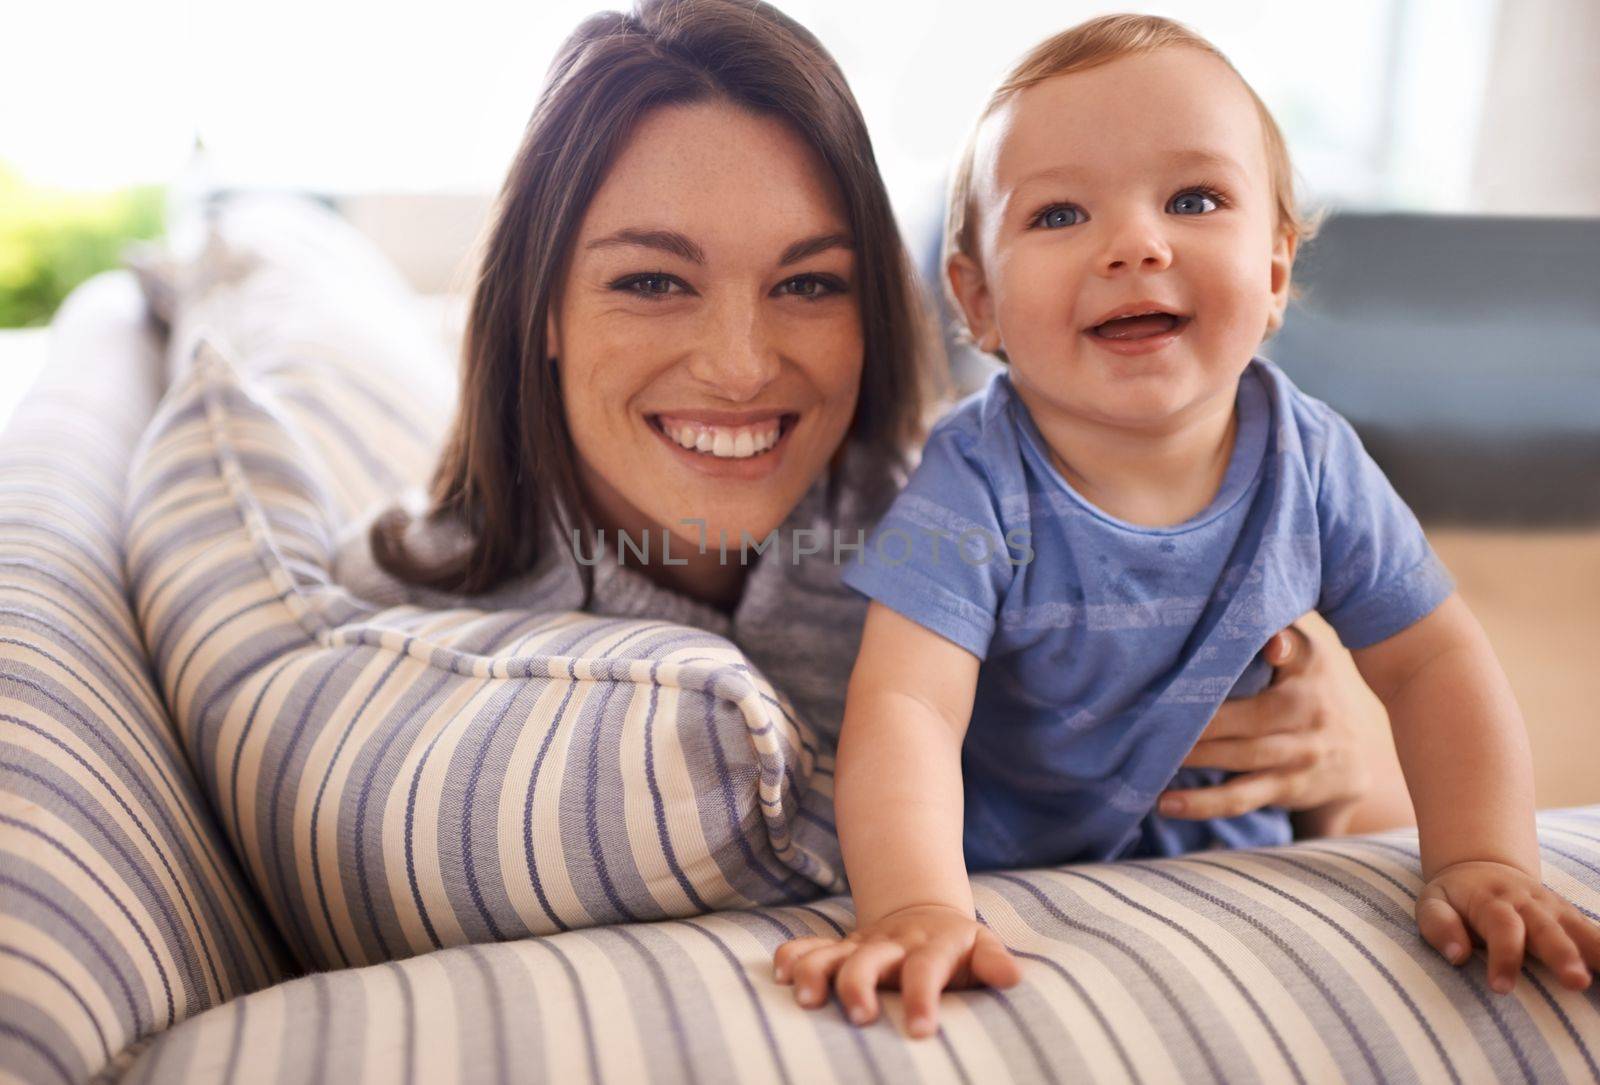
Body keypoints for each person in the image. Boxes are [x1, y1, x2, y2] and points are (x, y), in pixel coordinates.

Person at [339, 0, 1409, 950]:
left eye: (809, 282)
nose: (740, 364)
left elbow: (1368, 785)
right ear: (541, 308)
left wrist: (1328, 761)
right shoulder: (410, 615)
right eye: (654, 279)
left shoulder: (975, 520)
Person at [771, 13, 1600, 1039]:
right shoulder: (973, 471)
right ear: (976, 300)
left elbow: (1434, 660)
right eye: (1061, 213)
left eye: (1194, 199)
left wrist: (1483, 856)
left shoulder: (1312, 460)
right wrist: (914, 905)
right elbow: (906, 705)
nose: (1136, 244)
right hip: (1002, 864)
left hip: (1237, 858)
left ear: (1275, 272)